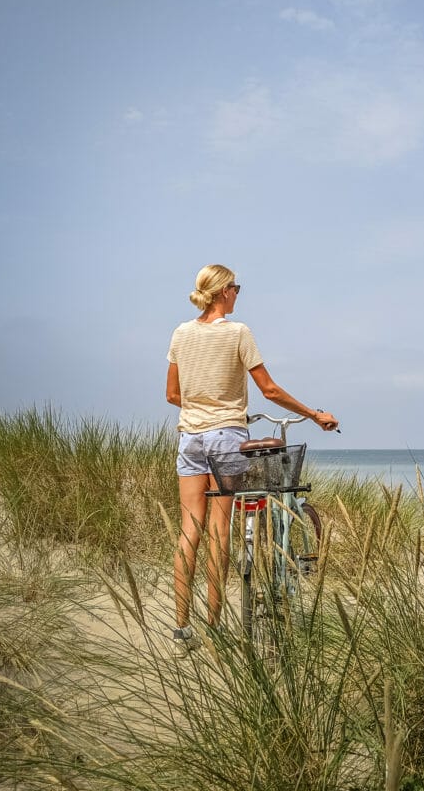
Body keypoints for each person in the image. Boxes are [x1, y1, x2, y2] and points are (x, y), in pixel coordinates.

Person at [165, 263, 338, 654]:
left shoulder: (181, 333)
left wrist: (200, 406)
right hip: (227, 436)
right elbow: (270, 390)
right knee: (218, 530)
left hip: (189, 438)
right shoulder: (238, 332)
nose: (238, 293)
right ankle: (213, 627)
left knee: (187, 531)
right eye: (236, 287)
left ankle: (181, 630)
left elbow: (172, 395)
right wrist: (314, 415)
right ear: (224, 291)